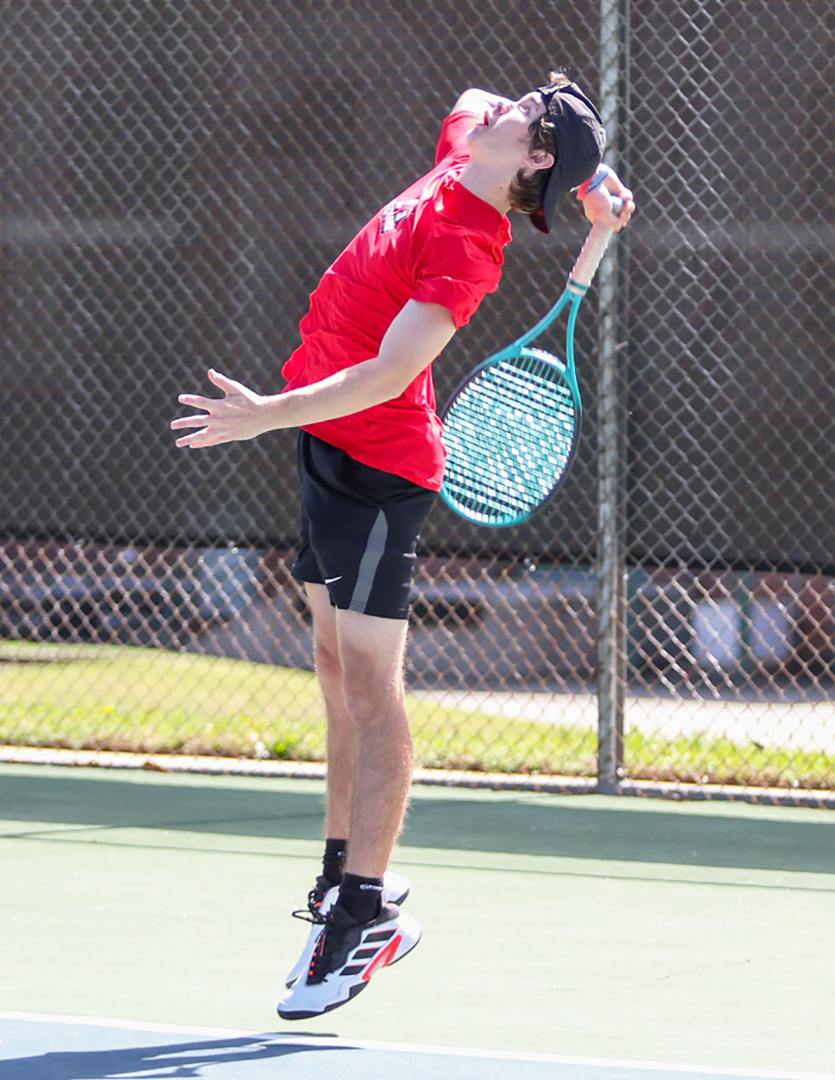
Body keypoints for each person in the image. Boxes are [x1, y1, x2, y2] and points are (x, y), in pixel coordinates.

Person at [170, 72, 635, 1020]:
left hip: (379, 472)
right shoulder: (470, 151)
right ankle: (339, 887)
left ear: (532, 156)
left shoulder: (469, 248)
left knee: (374, 696)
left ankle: (369, 912)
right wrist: (593, 182)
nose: (508, 108)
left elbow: (387, 374)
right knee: (336, 672)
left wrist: (263, 418)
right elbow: (473, 92)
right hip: (327, 450)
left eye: (531, 117)